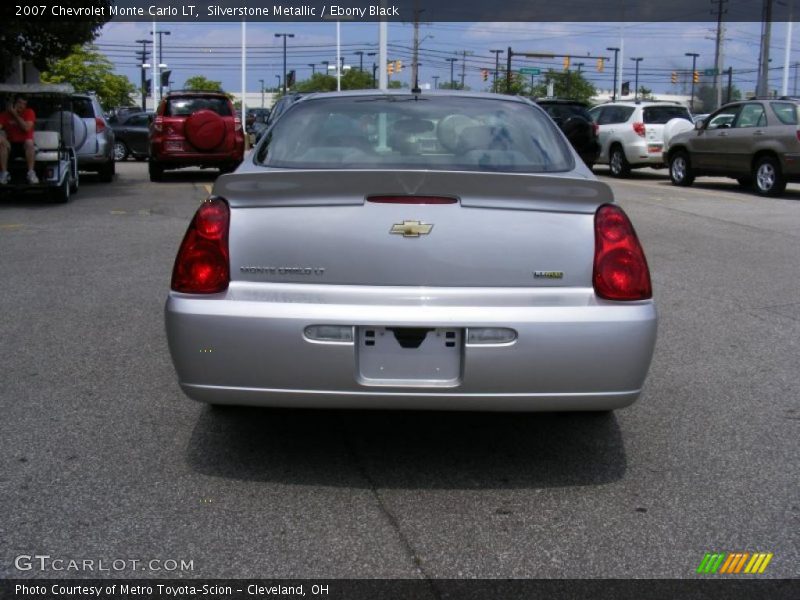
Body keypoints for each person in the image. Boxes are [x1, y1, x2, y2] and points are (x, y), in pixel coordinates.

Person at [0, 94, 39, 184]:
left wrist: (14, 114)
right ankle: (4, 173)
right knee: (2, 144)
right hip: (11, 144)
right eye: (19, 103)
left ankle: (31, 173)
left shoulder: (29, 112)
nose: (21, 106)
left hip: (25, 145)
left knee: (29, 143)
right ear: (13, 103)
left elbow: (26, 128)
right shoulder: (4, 115)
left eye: (24, 104)